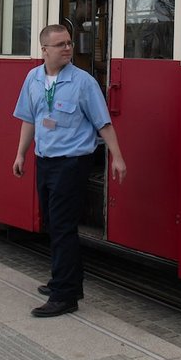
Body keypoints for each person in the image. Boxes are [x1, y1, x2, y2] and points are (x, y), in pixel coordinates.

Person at [12, 24, 126, 318]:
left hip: (71, 163)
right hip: (45, 161)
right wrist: (21, 154)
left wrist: (117, 156)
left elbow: (103, 122)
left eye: (69, 43)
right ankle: (67, 283)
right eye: (60, 44)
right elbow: (30, 119)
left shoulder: (83, 82)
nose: (67, 48)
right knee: (52, 223)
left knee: (62, 227)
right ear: (45, 50)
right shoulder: (33, 79)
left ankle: (65, 296)